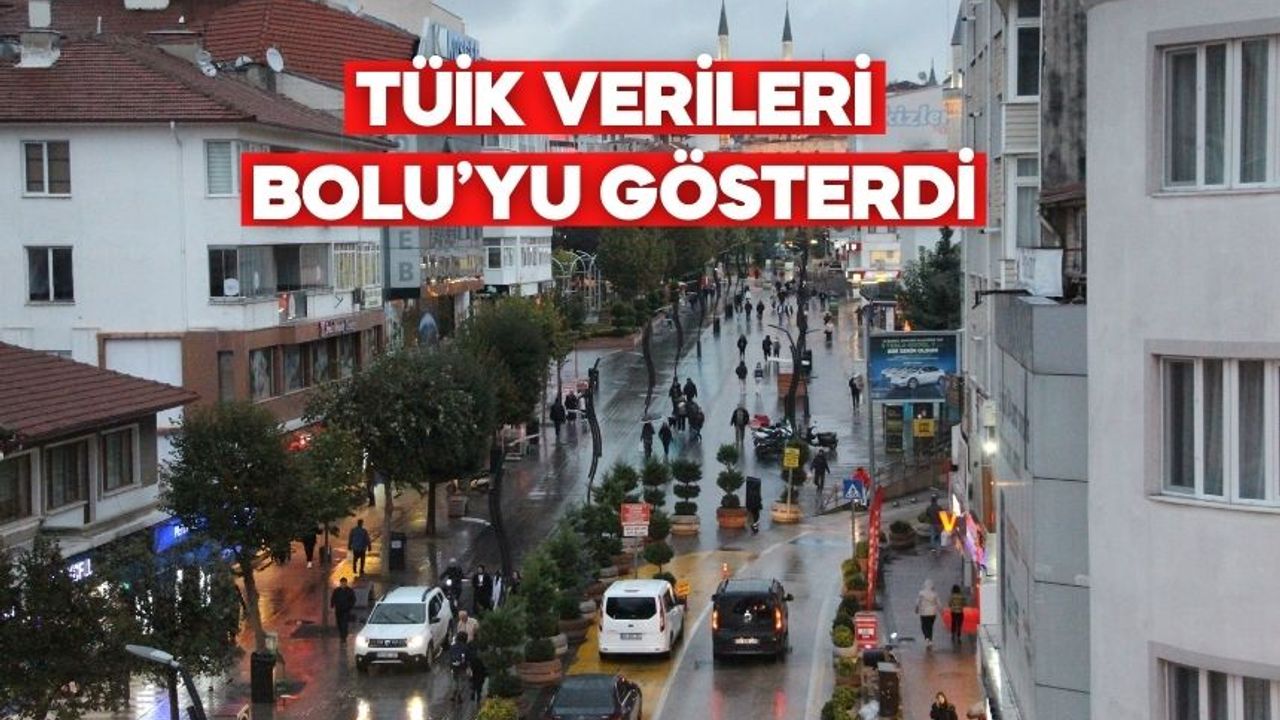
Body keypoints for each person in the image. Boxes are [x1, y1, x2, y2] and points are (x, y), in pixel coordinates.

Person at [330, 577, 356, 643]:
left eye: (344, 583)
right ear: (340, 583)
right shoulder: (337, 590)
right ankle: (342, 634)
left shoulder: (349, 591)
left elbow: (353, 599)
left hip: (346, 610)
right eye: (342, 583)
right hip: (338, 609)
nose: (343, 584)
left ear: (346, 583)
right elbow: (333, 598)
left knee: (344, 623)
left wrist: (350, 606)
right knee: (339, 623)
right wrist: (332, 605)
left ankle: (343, 637)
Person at [916, 579, 941, 650]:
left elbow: (918, 602)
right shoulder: (934, 594)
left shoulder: (921, 593)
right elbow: (938, 603)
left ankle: (927, 638)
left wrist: (916, 609)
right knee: (930, 626)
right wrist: (941, 610)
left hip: (924, 612)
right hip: (933, 613)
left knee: (924, 626)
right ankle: (930, 639)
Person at [447, 632, 471, 703]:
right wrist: (468, 667)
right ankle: (459, 696)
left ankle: (454, 694)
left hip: (454, 667)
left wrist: (450, 666)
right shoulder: (466, 648)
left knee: (455, 680)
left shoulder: (452, 646)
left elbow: (450, 656)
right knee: (461, 681)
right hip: (462, 667)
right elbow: (468, 658)